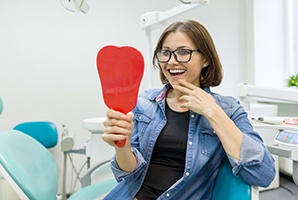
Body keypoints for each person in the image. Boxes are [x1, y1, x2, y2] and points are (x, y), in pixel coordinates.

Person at [102, 20, 275, 200]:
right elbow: (128, 175)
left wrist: (213, 112)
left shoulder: (227, 109)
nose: (172, 61)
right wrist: (122, 146)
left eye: (183, 52)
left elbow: (263, 174)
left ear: (206, 59)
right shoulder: (145, 102)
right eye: (166, 53)